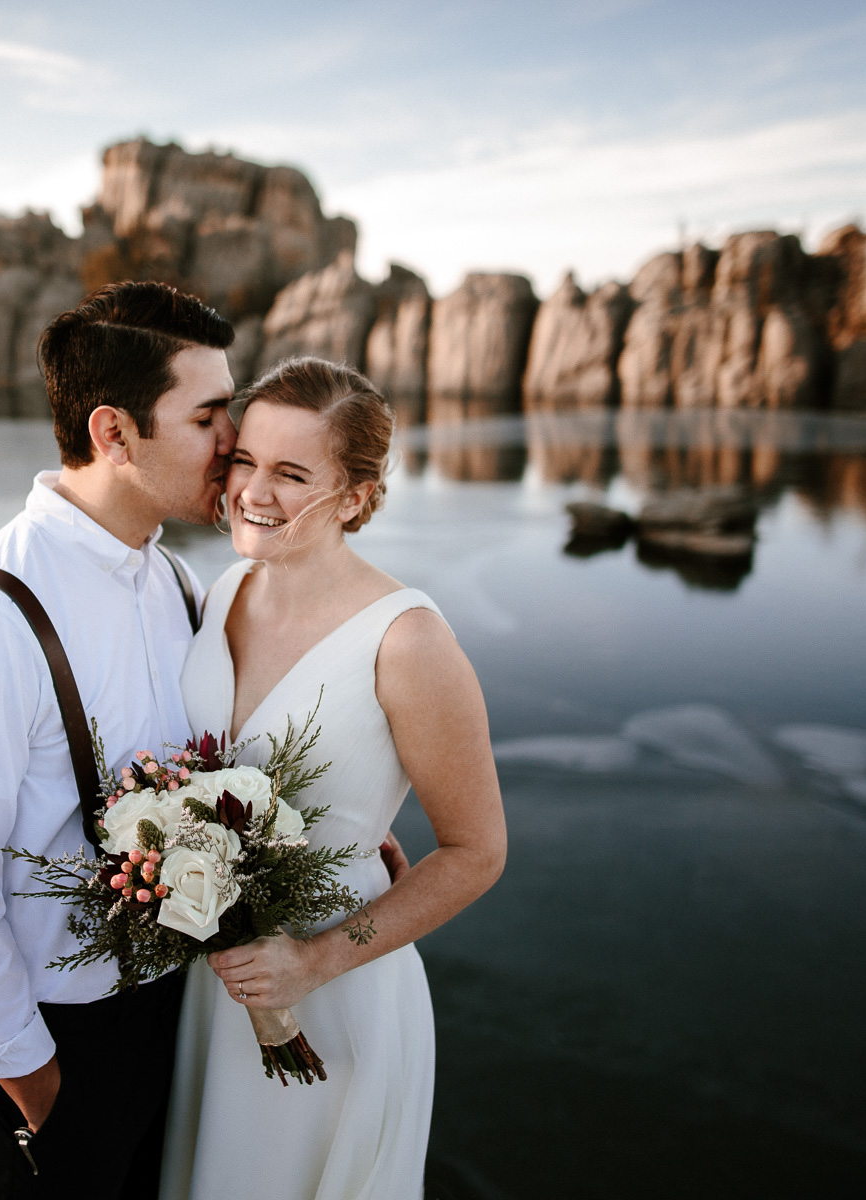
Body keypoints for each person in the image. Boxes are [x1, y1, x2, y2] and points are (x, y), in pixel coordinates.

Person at [0, 282, 237, 1200]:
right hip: (49, 1057)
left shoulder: (174, 582)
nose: (232, 444)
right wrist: (45, 1100)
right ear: (114, 433)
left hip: (172, 1026)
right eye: (208, 417)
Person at [161, 357, 507, 1200]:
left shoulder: (409, 642)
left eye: (291, 473)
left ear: (355, 496)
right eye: (245, 460)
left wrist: (314, 961)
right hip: (212, 982)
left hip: (333, 993)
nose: (253, 492)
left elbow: (476, 852)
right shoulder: (222, 590)